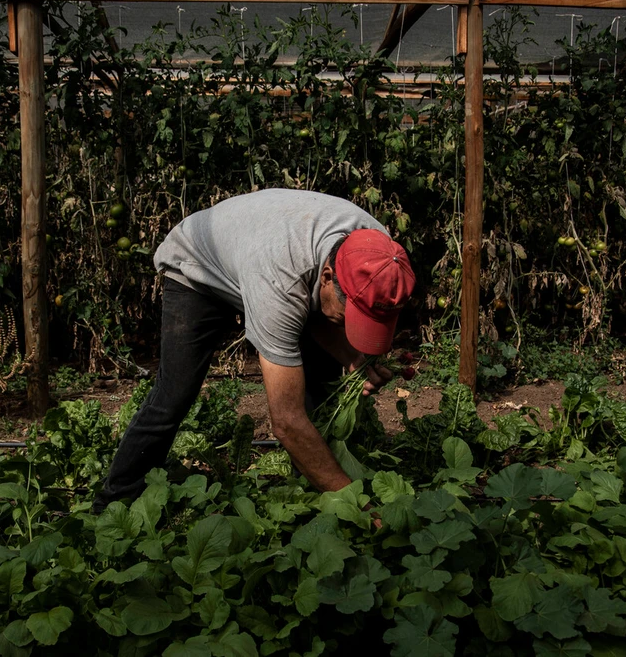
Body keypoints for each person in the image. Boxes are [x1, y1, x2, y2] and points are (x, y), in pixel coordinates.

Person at [93, 188, 415, 512]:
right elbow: (286, 422)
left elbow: (321, 307)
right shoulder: (281, 282)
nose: (352, 328)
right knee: (174, 395)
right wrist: (358, 506)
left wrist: (354, 359)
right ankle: (113, 503)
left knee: (321, 383)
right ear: (328, 277)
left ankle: (310, 488)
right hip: (198, 266)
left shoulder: (380, 255)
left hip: (268, 257)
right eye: (353, 316)